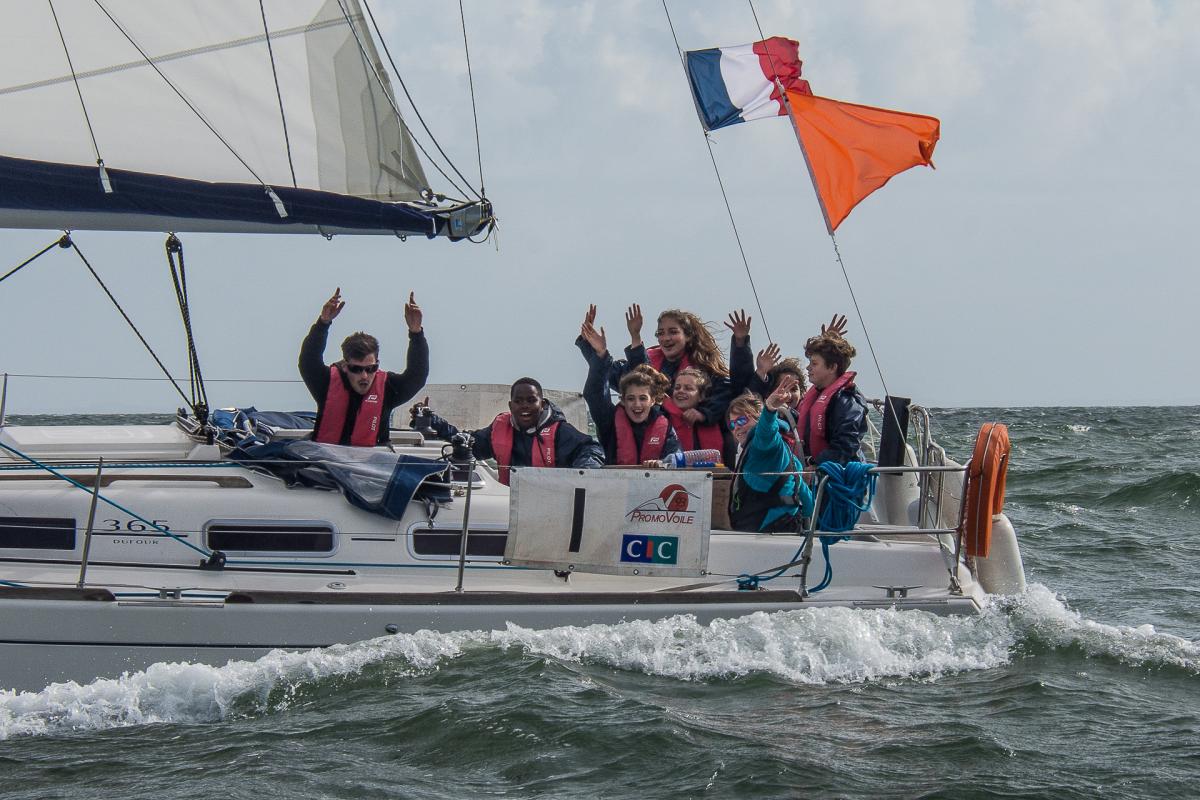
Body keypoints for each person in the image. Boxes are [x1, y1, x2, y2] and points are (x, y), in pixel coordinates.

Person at [299, 287, 428, 446]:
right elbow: (308, 361)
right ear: (345, 366)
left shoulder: (388, 388)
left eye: (370, 369)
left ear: (377, 365)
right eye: (356, 369)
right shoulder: (326, 383)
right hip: (326, 458)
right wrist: (323, 323)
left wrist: (416, 333)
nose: (364, 376)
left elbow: (417, 375)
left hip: (372, 459)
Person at [412, 378, 604, 485]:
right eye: (519, 401)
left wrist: (584, 472)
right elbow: (469, 443)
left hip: (550, 503)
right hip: (509, 503)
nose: (524, 406)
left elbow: (591, 448)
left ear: (542, 403)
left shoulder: (560, 431)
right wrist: (432, 421)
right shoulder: (500, 428)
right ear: (511, 406)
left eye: (531, 400)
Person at [591, 305, 742, 429]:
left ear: (688, 336)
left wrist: (704, 413)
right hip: (657, 439)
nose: (666, 338)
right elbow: (612, 376)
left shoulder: (704, 371)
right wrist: (592, 347)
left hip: (693, 443)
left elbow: (727, 393)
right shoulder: (648, 362)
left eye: (673, 332)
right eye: (660, 333)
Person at [579, 317, 681, 466]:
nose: (637, 404)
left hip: (655, 480)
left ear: (653, 400)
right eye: (631, 398)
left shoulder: (666, 428)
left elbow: (675, 456)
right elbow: (595, 394)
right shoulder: (609, 420)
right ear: (622, 400)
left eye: (643, 398)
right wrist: (601, 354)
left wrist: (663, 463)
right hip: (616, 480)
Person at [726, 381, 813, 532]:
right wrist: (808, 513)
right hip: (780, 526)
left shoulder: (763, 444)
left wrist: (769, 409)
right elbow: (805, 497)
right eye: (732, 425)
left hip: (771, 529)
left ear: (758, 419)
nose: (736, 427)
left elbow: (765, 431)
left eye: (741, 420)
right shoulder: (782, 450)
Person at [796, 332, 869, 467]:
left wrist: (818, 465)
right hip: (811, 469)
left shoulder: (847, 402)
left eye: (814, 364)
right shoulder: (816, 396)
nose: (808, 367)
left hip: (838, 474)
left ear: (832, 368)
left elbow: (846, 443)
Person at [664, 367, 736, 467]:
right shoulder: (663, 418)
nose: (681, 391)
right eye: (677, 388)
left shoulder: (716, 419)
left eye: (688, 388)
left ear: (701, 396)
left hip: (714, 475)